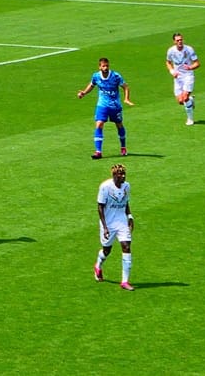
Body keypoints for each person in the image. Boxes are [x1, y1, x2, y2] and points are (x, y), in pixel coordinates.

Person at [77, 57, 129, 159]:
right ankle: (98, 152)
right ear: (99, 67)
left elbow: (126, 87)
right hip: (102, 105)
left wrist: (126, 98)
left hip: (115, 105)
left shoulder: (116, 76)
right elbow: (91, 85)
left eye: (107, 66)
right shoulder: (96, 76)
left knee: (119, 125)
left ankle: (123, 147)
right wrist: (83, 93)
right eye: (103, 66)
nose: (105, 68)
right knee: (99, 124)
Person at [94, 163, 133, 291]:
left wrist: (130, 216)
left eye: (124, 174)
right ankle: (98, 265)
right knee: (107, 250)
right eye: (121, 174)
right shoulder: (105, 187)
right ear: (115, 175)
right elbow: (100, 207)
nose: (123, 176)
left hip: (121, 221)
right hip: (109, 223)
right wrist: (105, 227)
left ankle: (124, 281)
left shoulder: (127, 186)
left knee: (126, 246)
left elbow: (126, 202)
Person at [165, 32, 198, 126]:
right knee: (180, 101)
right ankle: (191, 100)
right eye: (178, 40)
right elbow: (168, 62)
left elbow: (197, 63)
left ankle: (190, 119)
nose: (180, 41)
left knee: (185, 97)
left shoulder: (189, 49)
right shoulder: (171, 51)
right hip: (178, 77)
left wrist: (190, 67)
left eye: (181, 39)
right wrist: (172, 71)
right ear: (174, 41)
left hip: (188, 75)